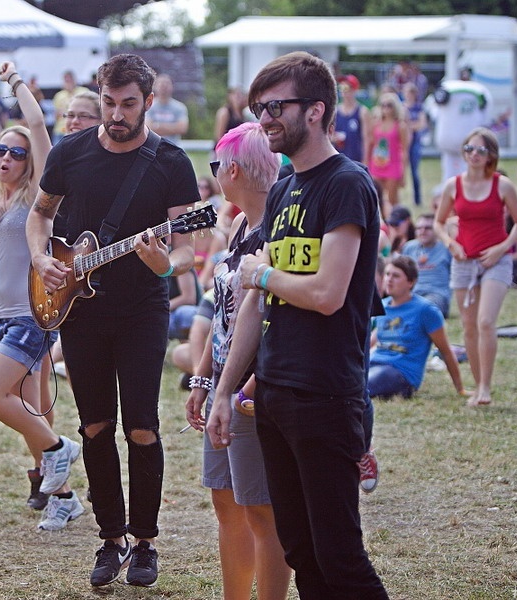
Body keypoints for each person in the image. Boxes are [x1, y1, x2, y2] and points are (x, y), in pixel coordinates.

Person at [207, 51, 389, 599]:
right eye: (258, 108)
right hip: (274, 397)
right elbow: (253, 309)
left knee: (340, 557)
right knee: (301, 553)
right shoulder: (284, 191)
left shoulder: (346, 184)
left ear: (315, 110)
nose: (263, 119)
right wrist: (222, 390)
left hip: (326, 396)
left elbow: (329, 294)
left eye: (273, 107)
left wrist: (263, 276)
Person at [26, 53, 198, 588]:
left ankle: (145, 542)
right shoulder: (72, 152)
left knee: (141, 426)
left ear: (149, 101)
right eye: (108, 103)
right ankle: (111, 537)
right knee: (95, 425)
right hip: (81, 309)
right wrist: (39, 258)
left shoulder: (169, 161)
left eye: (128, 104)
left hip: (143, 308)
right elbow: (40, 214)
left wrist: (163, 261)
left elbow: (189, 248)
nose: (117, 114)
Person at [0, 61, 83, 531]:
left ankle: (59, 450)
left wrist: (15, 81)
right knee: (30, 411)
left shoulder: (40, 195)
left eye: (15, 153)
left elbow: (37, 124)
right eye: (0, 151)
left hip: (34, 314)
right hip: (3, 315)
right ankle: (62, 497)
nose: (6, 159)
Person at [185, 122, 291, 600]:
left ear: (234, 168)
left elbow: (267, 316)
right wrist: (202, 379)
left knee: (261, 509)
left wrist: (232, 388)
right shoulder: (240, 224)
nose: (214, 175)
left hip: (252, 390)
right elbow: (222, 313)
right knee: (226, 502)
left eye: (216, 165)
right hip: (224, 384)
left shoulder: (275, 228)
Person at [432, 127, 517, 407]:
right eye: (469, 149)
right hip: (463, 261)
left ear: (491, 156)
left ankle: (486, 386)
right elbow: (439, 222)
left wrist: (502, 248)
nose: (473, 154)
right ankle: (476, 387)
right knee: (469, 326)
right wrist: (451, 243)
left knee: (486, 321)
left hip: (495, 261)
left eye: (480, 150)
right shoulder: (453, 185)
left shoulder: (502, 185)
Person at [369, 255, 465, 400]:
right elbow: (372, 340)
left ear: (410, 282)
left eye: (396, 276)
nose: (389, 279)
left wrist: (460, 389)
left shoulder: (425, 311)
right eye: (387, 274)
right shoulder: (383, 306)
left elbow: (446, 351)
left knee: (361, 388)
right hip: (375, 362)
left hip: (400, 373)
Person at [426, 74, 492, 182]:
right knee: (455, 169)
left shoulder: (448, 88)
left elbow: (433, 113)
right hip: (459, 140)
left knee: (455, 169)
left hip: (455, 139)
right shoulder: (480, 90)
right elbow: (486, 118)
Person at [366, 92, 410, 219]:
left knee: (392, 199)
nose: (385, 108)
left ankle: (397, 222)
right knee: (375, 197)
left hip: (393, 165)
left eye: (389, 105)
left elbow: (405, 150)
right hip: (376, 164)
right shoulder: (375, 124)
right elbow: (371, 144)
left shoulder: (400, 126)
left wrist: (403, 173)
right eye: (383, 105)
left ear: (395, 107)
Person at [401, 213, 452, 317]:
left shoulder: (446, 248)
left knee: (425, 308)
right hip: (412, 294)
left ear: (436, 231)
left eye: (427, 228)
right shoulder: (409, 247)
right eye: (419, 228)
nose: (422, 231)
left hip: (436, 295)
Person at [332, 75, 369, 163]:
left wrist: (365, 160)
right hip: (339, 158)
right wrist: (334, 138)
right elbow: (329, 135)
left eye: (346, 87)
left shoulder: (362, 112)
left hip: (356, 159)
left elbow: (366, 139)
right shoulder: (335, 111)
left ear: (354, 89)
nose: (343, 91)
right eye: (341, 87)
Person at [402, 82, 428, 206]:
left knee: (414, 171)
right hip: (402, 143)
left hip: (415, 143)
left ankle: (417, 199)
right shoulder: (401, 107)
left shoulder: (419, 108)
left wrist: (408, 127)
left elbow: (421, 124)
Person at [147, 74, 189, 143]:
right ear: (154, 86)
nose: (164, 87)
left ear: (172, 86)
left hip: (173, 147)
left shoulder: (180, 107)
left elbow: (182, 128)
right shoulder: (148, 105)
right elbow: (147, 128)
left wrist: (157, 126)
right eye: (161, 84)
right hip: (153, 146)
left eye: (167, 83)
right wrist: (173, 127)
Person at [51, 70, 89, 144]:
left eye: (69, 80)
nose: (68, 83)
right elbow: (55, 115)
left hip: (79, 128)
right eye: (66, 80)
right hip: (60, 130)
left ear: (74, 80)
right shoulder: (59, 95)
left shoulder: (83, 92)